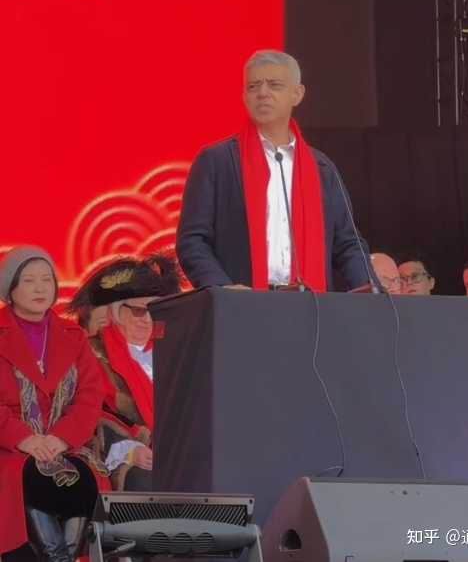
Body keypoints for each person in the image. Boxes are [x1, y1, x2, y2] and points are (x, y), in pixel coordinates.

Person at [177, 50, 375, 292]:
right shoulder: (217, 162)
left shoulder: (322, 168)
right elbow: (192, 241)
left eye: (274, 85)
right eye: (253, 86)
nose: (262, 93)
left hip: (310, 304)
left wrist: (371, 288)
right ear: (244, 97)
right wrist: (223, 288)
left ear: (297, 94)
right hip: (241, 302)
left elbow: (348, 244)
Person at [0, 246, 107, 562]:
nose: (40, 288)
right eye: (29, 280)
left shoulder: (74, 335)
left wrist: (60, 438)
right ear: (10, 288)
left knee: (83, 477)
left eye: (46, 280)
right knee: (28, 478)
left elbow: (90, 397)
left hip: (65, 445)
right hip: (11, 447)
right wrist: (26, 439)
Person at [74, 254, 178, 492]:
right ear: (116, 312)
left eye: (155, 312)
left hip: (182, 452)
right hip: (124, 457)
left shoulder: (176, 353)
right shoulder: (91, 354)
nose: (147, 320)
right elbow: (90, 413)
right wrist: (129, 450)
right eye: (139, 311)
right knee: (145, 478)